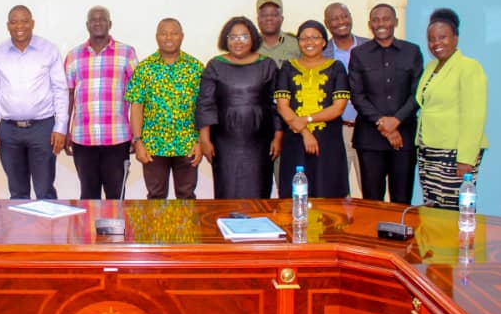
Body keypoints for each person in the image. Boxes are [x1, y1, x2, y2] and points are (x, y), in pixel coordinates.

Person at [0, 5, 68, 199]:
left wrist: (61, 127)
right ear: (8, 25)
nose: (19, 26)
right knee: (17, 192)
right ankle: (19, 220)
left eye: (24, 21)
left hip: (42, 129)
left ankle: (47, 220)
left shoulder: (48, 50)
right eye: (14, 22)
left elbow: (60, 90)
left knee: (44, 190)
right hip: (9, 132)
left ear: (32, 23)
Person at [196, 16, 281, 199]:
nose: (238, 42)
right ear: (225, 39)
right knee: (228, 189)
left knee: (258, 190)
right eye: (233, 37)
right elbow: (205, 103)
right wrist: (204, 140)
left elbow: (276, 104)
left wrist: (278, 136)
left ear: (253, 38)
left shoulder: (267, 65)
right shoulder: (215, 65)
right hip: (224, 141)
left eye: (244, 36)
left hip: (259, 141)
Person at [348, 4, 423, 204]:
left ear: (395, 22)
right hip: (370, 138)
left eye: (386, 19)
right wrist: (383, 123)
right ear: (370, 24)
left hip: (404, 137)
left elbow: (417, 94)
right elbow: (357, 95)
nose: (381, 23)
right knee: (372, 201)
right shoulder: (359, 54)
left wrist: (396, 121)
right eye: (376, 20)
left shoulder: (412, 51)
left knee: (402, 199)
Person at [415, 8, 488, 209]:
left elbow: (474, 116)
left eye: (442, 37)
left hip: (454, 152)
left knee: (454, 208)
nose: (436, 43)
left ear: (455, 38)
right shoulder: (431, 67)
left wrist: (466, 158)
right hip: (429, 150)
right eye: (431, 39)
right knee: (433, 206)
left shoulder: (469, 67)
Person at [64, 6, 138, 199]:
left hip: (117, 139)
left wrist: (137, 134)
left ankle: (116, 222)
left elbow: (138, 98)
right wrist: (64, 130)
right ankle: (89, 222)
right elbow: (68, 96)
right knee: (88, 197)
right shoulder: (73, 55)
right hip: (83, 139)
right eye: (93, 19)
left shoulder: (127, 53)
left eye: (102, 19)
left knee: (116, 197)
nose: (98, 22)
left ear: (110, 24)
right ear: (87, 25)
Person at [126, 18, 203, 200]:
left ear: (182, 36)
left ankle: (186, 223)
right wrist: (138, 141)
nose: (168, 37)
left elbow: (204, 107)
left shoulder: (196, 68)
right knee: (156, 197)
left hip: (187, 144)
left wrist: (200, 141)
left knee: (186, 196)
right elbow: (136, 106)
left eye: (174, 33)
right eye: (164, 33)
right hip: (153, 145)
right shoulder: (145, 68)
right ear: (157, 37)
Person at [275, 20, 350, 199]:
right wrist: (305, 132)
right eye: (304, 38)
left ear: (324, 41)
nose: (309, 42)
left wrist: (306, 119)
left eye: (315, 37)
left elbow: (338, 108)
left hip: (328, 142)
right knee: (295, 192)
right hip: (295, 141)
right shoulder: (288, 67)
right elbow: (282, 106)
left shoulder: (336, 67)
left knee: (328, 189)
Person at [322, 2, 371, 199]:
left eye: (344, 16)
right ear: (327, 24)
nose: (341, 21)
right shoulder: (321, 52)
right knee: (336, 190)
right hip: (337, 130)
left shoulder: (370, 46)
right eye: (334, 18)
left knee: (371, 190)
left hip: (367, 129)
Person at [255, 0, 300, 66]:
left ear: (282, 19)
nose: (269, 19)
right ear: (258, 19)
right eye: (264, 15)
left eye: (274, 15)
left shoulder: (295, 44)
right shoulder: (250, 45)